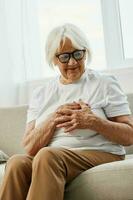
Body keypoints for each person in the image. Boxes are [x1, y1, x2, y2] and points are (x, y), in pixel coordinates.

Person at [0, 23, 133, 200]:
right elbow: (30, 147)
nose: (72, 62)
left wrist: (93, 121)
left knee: (48, 156)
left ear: (86, 53)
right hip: (53, 158)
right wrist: (54, 118)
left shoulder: (105, 83)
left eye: (78, 54)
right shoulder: (41, 94)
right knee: (16, 163)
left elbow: (129, 136)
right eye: (64, 56)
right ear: (53, 59)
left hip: (100, 153)